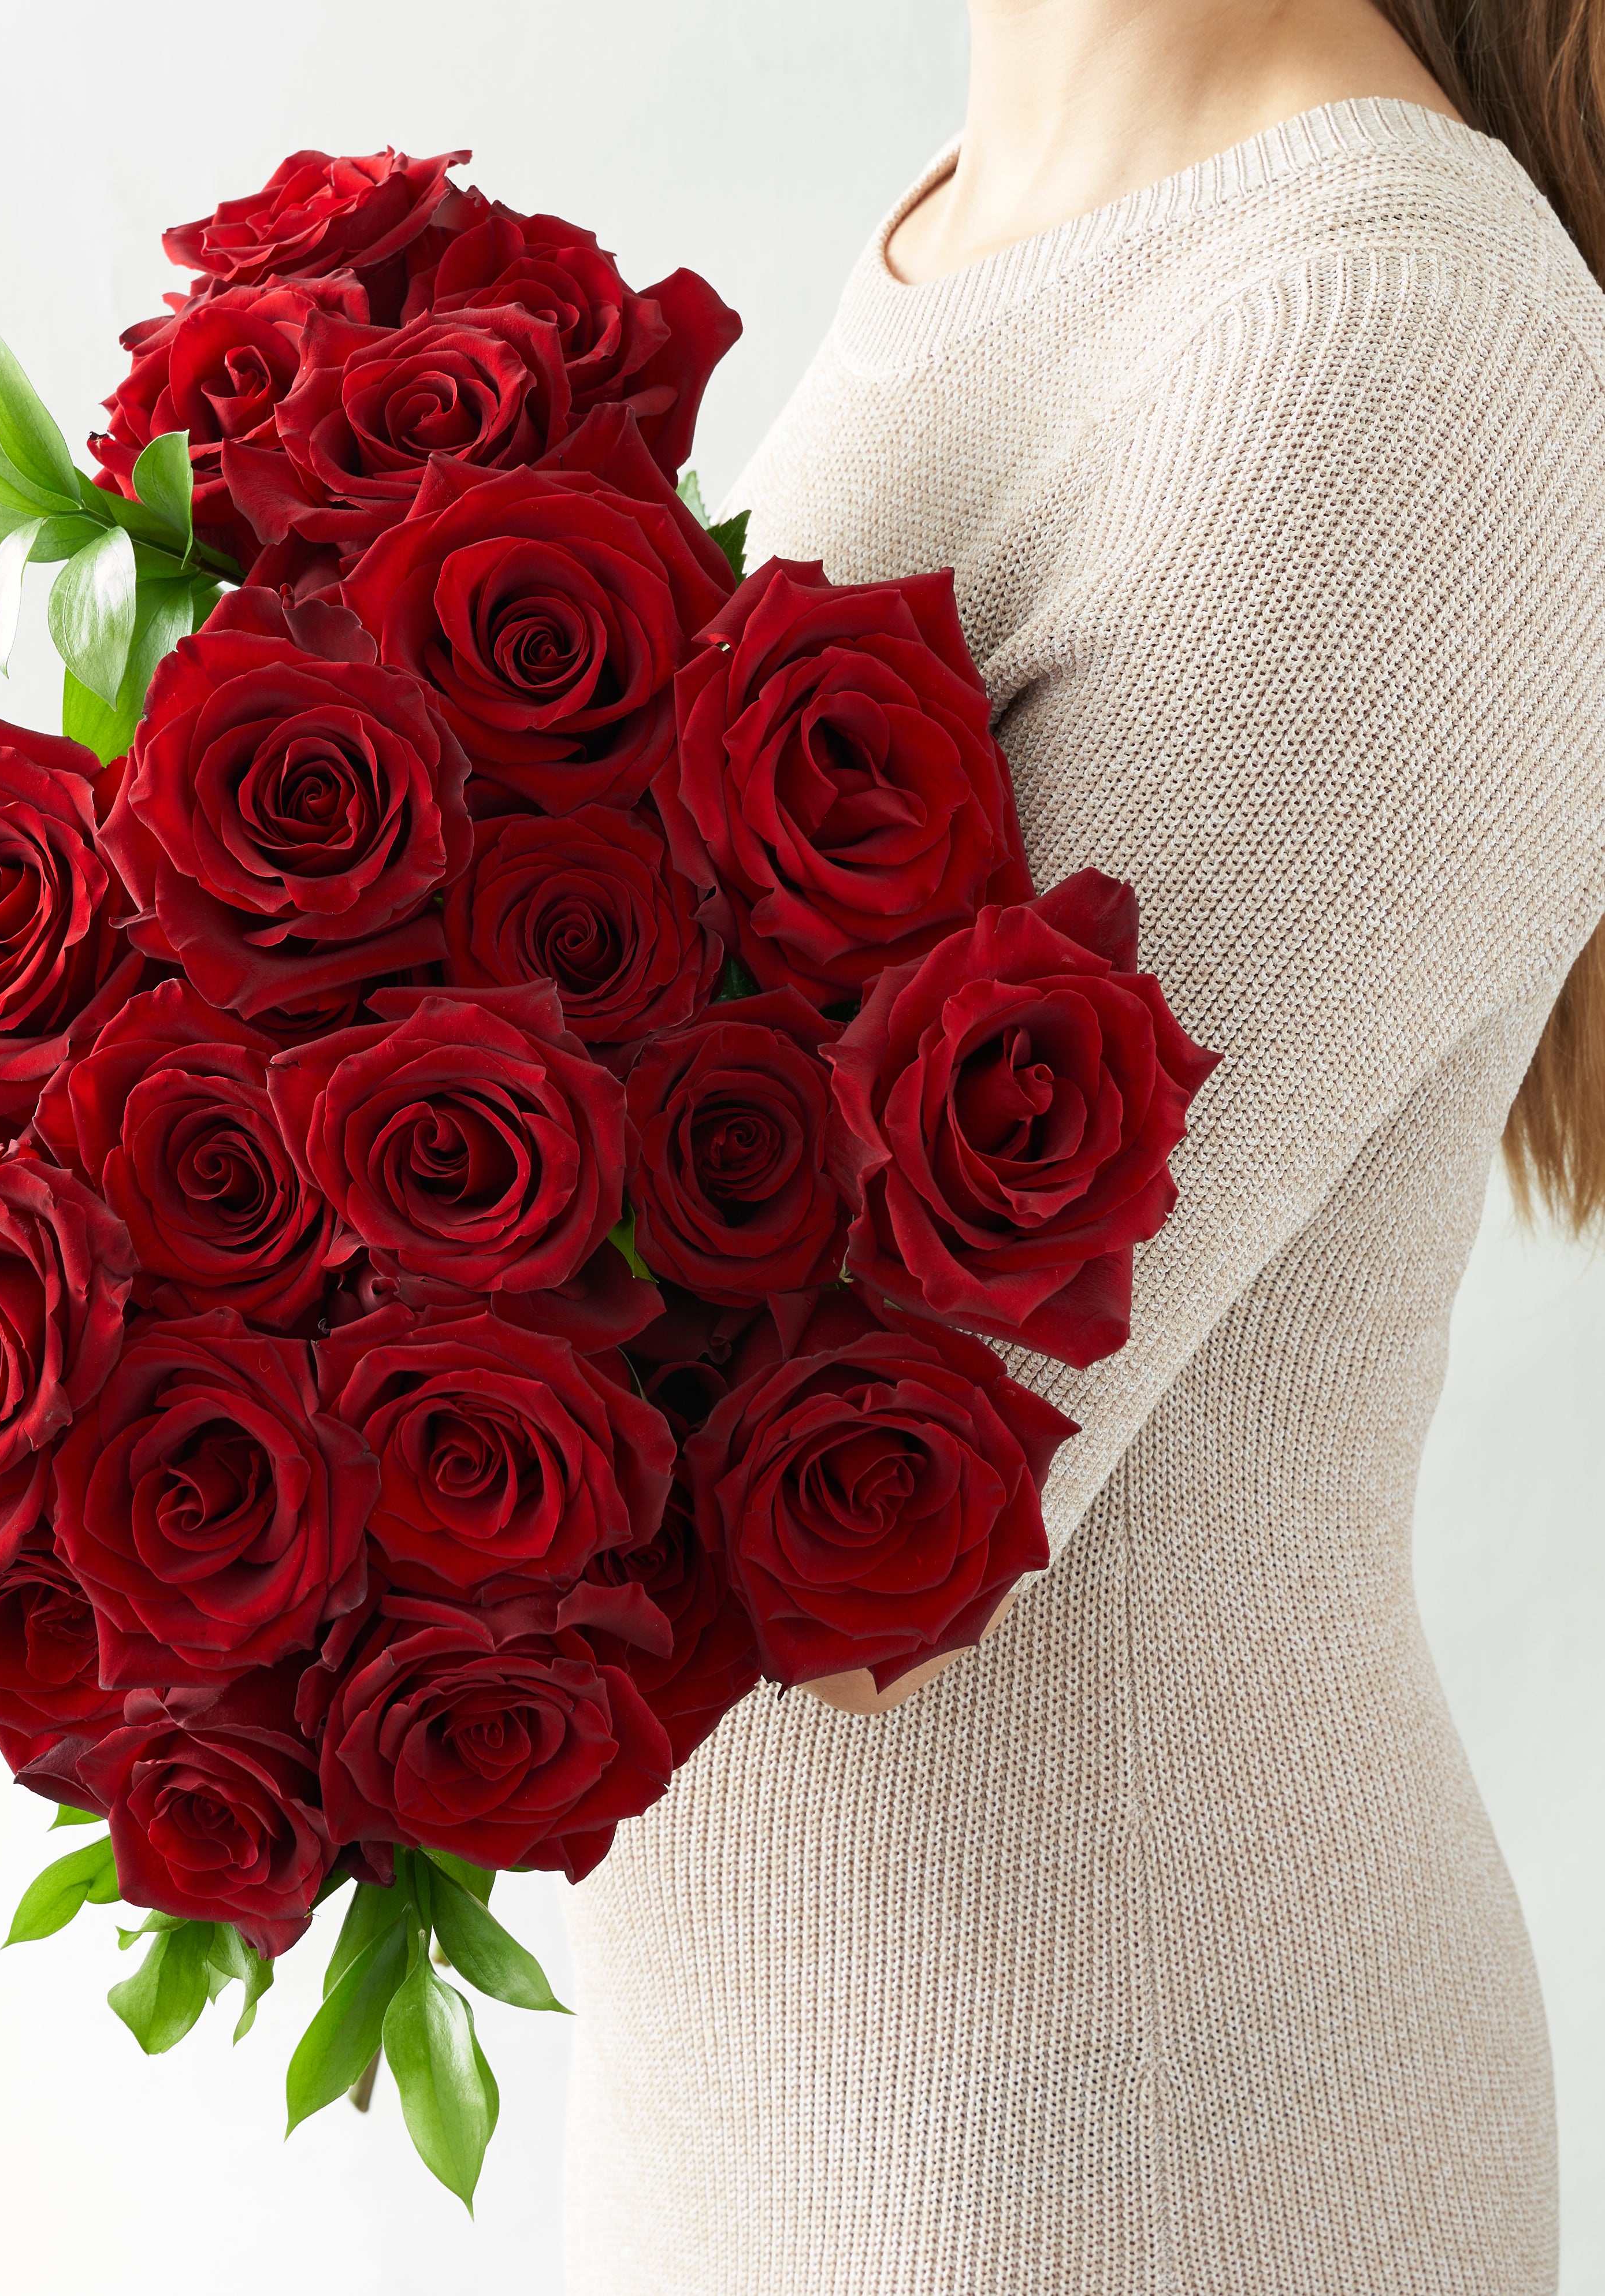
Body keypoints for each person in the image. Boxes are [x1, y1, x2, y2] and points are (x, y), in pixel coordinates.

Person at [562, 3, 1605, 2288]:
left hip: (1122, 2192)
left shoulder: (1373, 337)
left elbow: (861, 1533)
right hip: (807, 2149)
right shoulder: (994, 230)